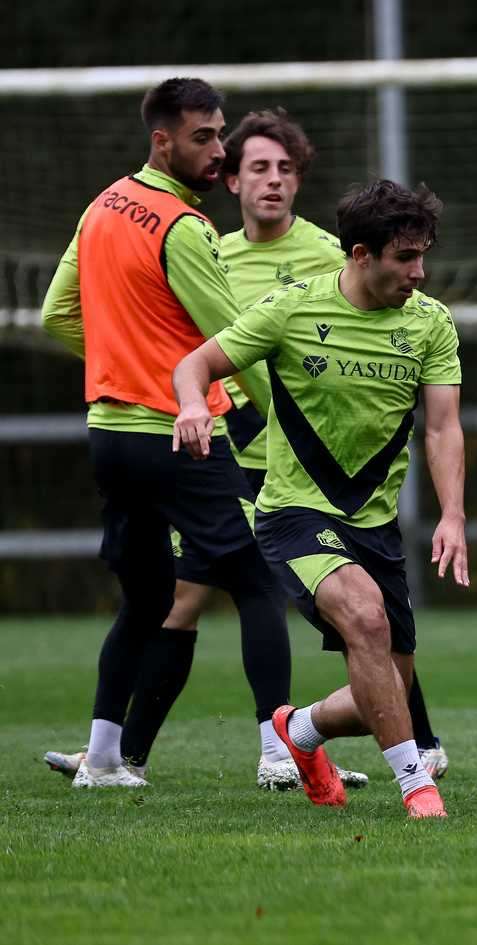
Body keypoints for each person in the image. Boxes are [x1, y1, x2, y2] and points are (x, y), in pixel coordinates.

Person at [173, 179, 467, 819]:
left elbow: (443, 429)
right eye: (404, 258)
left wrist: (452, 515)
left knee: (387, 691)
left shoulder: (430, 322)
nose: (418, 273)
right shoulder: (291, 309)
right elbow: (194, 365)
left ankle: (299, 729)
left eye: (422, 257)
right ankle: (417, 787)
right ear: (360, 254)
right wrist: (194, 405)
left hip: (376, 526)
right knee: (366, 618)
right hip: (294, 513)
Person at [37, 77, 290, 789]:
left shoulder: (102, 206)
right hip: (177, 435)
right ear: (162, 141)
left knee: (148, 598)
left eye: (220, 134)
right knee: (259, 580)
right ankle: (281, 754)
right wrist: (291, 424)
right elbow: (235, 341)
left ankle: (104, 759)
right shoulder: (183, 226)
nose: (219, 149)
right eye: (202, 137)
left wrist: (119, 363)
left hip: (109, 437)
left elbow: (56, 315)